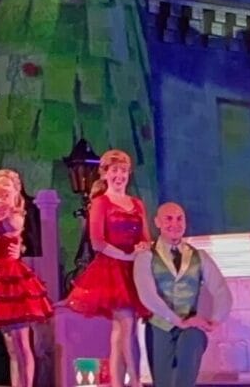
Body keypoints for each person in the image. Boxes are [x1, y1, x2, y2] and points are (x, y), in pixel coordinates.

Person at [61, 150, 147, 387]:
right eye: (115, 170)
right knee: (126, 326)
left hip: (134, 272)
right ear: (105, 173)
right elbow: (97, 241)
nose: (120, 175)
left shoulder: (137, 204)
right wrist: (126, 256)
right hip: (111, 270)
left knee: (120, 333)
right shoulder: (100, 203)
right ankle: (136, 381)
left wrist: (142, 247)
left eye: (123, 171)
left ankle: (119, 383)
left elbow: (146, 238)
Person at [132, 203, 229, 387]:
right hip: (159, 326)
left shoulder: (199, 256)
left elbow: (221, 289)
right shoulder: (146, 256)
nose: (175, 223)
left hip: (190, 327)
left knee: (190, 348)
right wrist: (177, 320)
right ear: (157, 222)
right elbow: (147, 295)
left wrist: (214, 320)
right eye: (168, 218)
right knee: (165, 382)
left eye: (179, 218)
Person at [0, 168, 54, 387]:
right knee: (10, 344)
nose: (3, 192)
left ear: (16, 191)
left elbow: (11, 225)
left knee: (21, 342)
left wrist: (0, 207)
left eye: (7, 188)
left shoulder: (14, 214)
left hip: (11, 279)